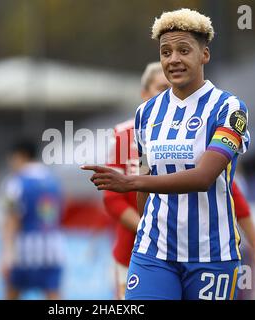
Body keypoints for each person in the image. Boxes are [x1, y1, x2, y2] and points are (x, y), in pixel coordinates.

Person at [83, 8, 253, 300]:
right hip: (154, 252)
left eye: (183, 50)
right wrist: (144, 223)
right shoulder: (147, 113)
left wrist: (131, 182)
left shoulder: (229, 109)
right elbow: (146, 175)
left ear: (205, 55)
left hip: (212, 254)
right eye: (166, 52)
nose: (173, 59)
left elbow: (203, 177)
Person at [103, 62, 170, 300]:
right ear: (144, 94)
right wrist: (147, 229)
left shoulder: (193, 133)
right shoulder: (124, 135)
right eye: (161, 88)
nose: (168, 94)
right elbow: (112, 199)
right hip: (131, 251)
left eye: (172, 88)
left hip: (182, 251)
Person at [1, 139, 64, 300]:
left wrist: (6, 255)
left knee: (12, 293)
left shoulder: (15, 183)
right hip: (52, 250)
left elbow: (11, 218)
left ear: (20, 156)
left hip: (23, 253)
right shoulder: (53, 181)